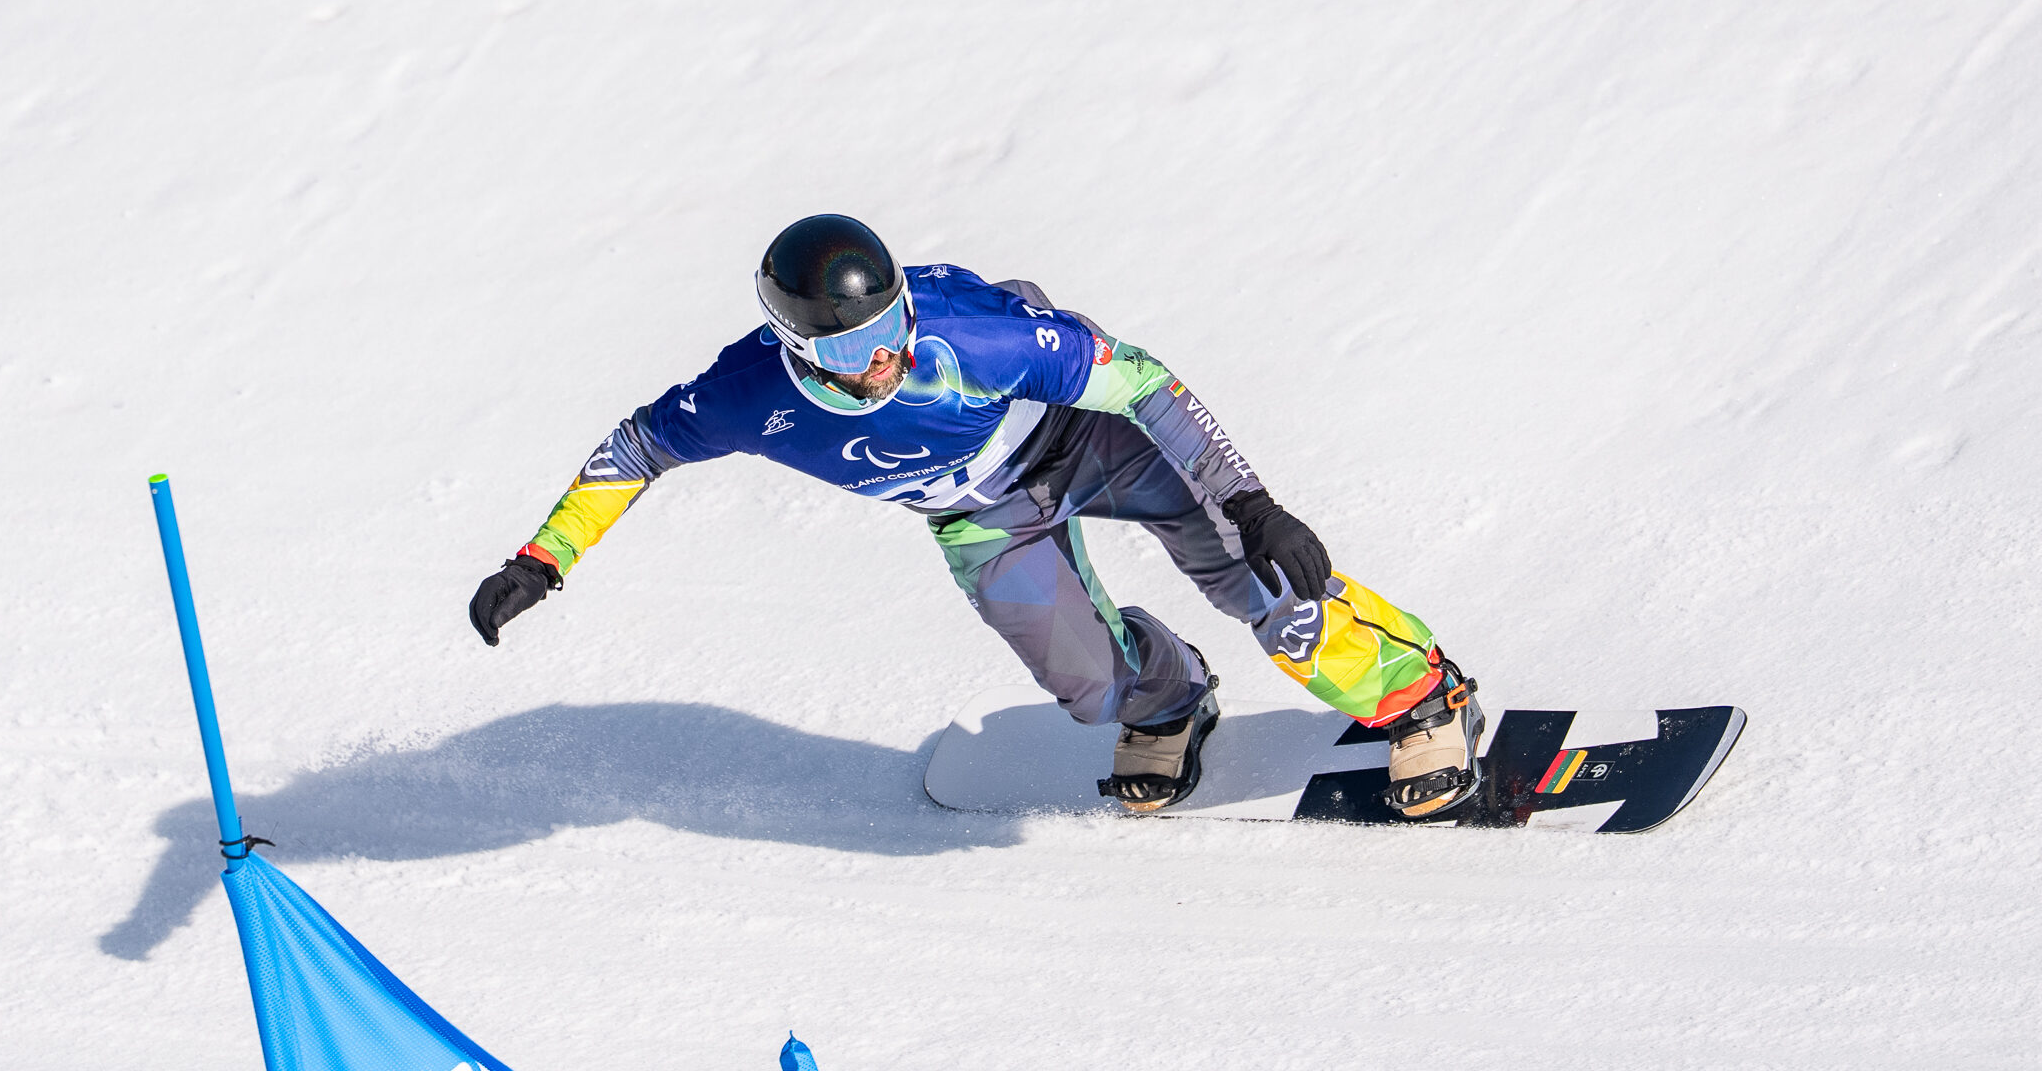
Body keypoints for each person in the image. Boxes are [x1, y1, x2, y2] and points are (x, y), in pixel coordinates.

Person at [470, 214, 1482, 818]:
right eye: (857, 342)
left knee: (1261, 589)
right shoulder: (746, 395)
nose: (886, 352)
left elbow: (1140, 381)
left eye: (890, 319)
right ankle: (1172, 698)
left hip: (1094, 439)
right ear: (794, 345)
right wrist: (541, 558)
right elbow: (634, 448)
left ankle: (1421, 695)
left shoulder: (967, 338)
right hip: (980, 513)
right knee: (1090, 693)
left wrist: (1251, 501)